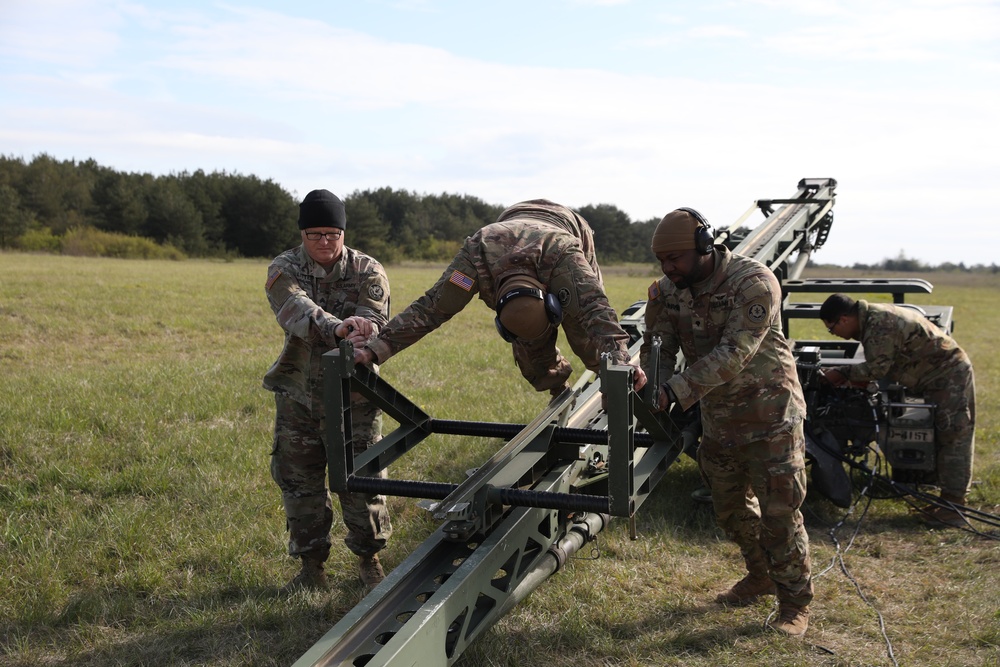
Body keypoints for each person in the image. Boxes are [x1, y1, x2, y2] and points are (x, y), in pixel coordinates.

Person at [639, 207, 813, 637]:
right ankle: (760, 575)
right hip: (719, 421)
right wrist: (650, 391)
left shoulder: (753, 283)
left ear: (704, 247)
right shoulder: (667, 292)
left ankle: (794, 604)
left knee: (780, 514)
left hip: (771, 419)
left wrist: (675, 391)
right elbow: (656, 347)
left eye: (675, 259)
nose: (668, 268)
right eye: (662, 261)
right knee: (730, 510)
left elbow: (736, 352)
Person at [353, 199, 646, 396]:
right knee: (532, 355)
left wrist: (620, 362)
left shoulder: (564, 256)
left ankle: (612, 386)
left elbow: (597, 310)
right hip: (509, 219)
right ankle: (558, 388)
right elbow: (431, 309)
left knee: (584, 333)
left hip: (567, 226)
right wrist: (377, 348)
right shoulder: (475, 258)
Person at [263, 188, 392, 591]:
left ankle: (369, 560)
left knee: (362, 479)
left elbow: (374, 318)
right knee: (299, 481)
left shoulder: (368, 270)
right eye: (315, 233)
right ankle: (310, 567)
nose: (324, 241)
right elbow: (294, 307)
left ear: (343, 233)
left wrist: (364, 328)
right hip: (299, 394)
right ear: (302, 234)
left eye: (332, 233)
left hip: (355, 398)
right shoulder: (285, 266)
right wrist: (337, 327)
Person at [819, 293, 976, 527]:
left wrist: (840, 373)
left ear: (843, 319)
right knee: (942, 436)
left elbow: (877, 368)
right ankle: (947, 502)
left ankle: (955, 506)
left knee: (953, 436)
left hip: (948, 375)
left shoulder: (880, 323)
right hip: (935, 377)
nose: (835, 335)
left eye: (832, 330)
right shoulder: (872, 319)